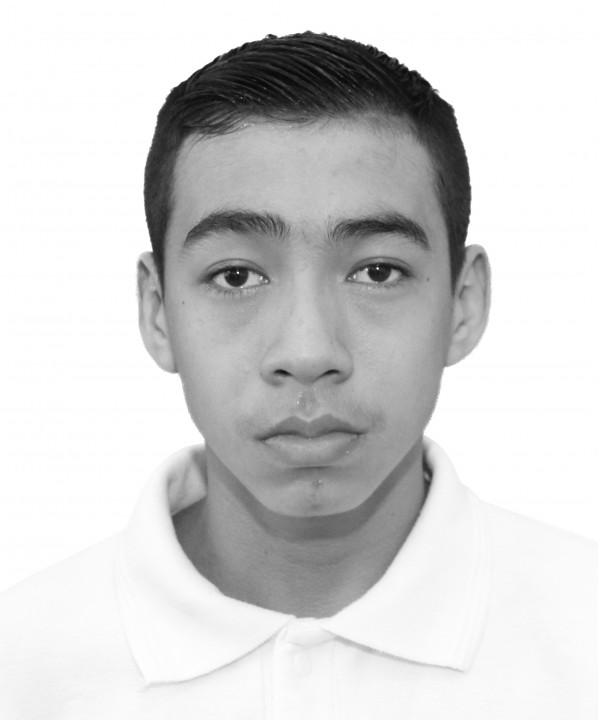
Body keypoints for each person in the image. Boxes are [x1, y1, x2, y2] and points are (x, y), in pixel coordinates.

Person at [1, 30, 597, 719]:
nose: (309, 350)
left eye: (378, 271)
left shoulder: (581, 637)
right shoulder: (22, 666)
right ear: (157, 311)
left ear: (463, 304)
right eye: (236, 276)